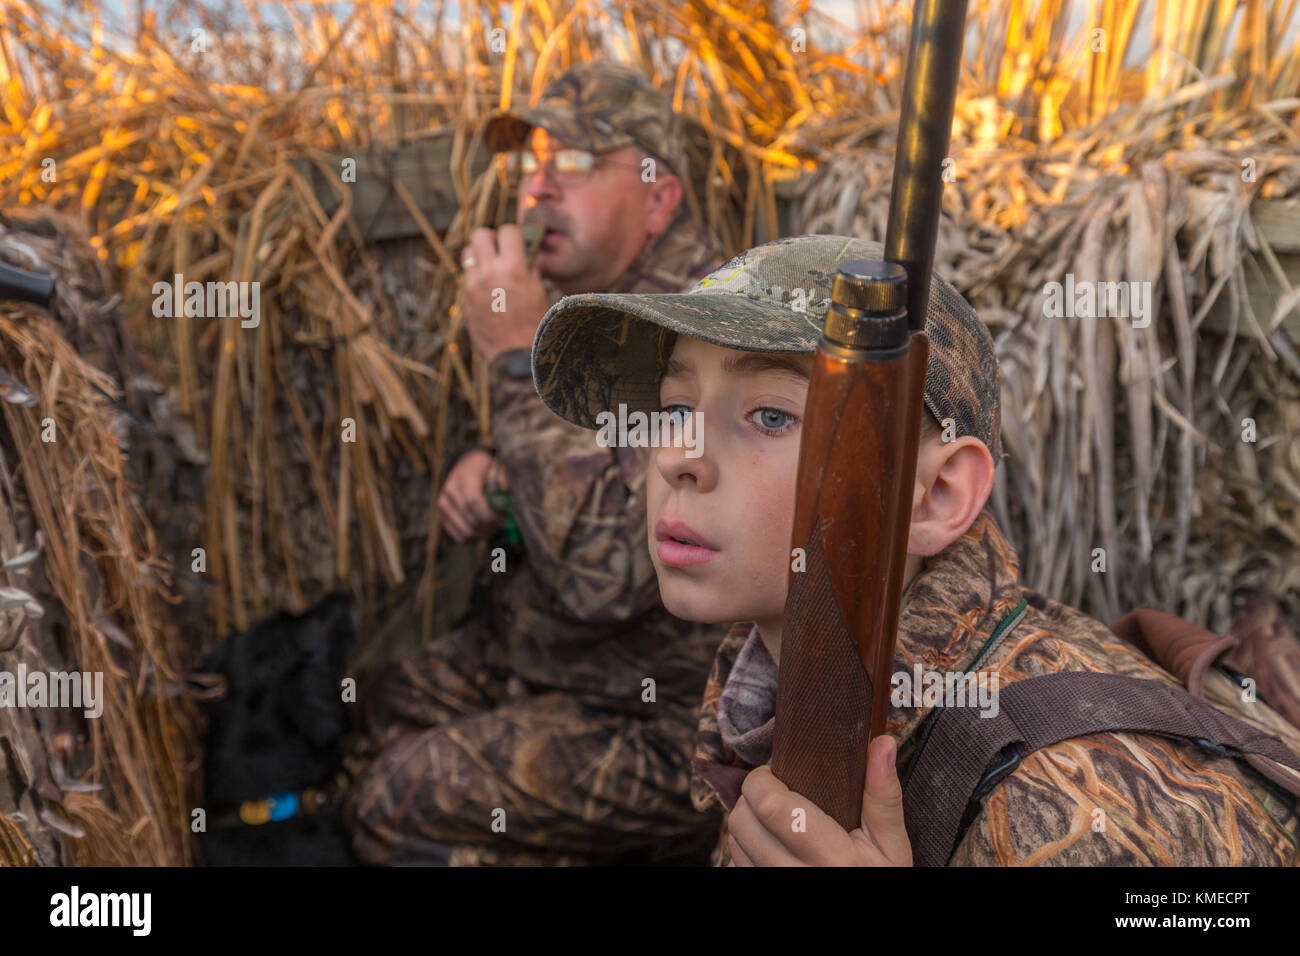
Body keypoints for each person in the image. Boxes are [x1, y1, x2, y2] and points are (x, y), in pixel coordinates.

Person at [528, 232, 1300, 866]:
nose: (675, 457)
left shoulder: (1074, 796)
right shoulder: (778, 690)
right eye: (673, 407)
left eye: (769, 416)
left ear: (935, 497)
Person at [344, 62, 728, 865]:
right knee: (373, 708)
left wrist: (517, 361)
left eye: (580, 163)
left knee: (395, 803)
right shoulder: (586, 305)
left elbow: (604, 576)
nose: (539, 187)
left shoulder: (710, 335)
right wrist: (494, 464)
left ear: (660, 198)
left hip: (668, 720)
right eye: (531, 164)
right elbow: (584, 459)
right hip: (554, 660)